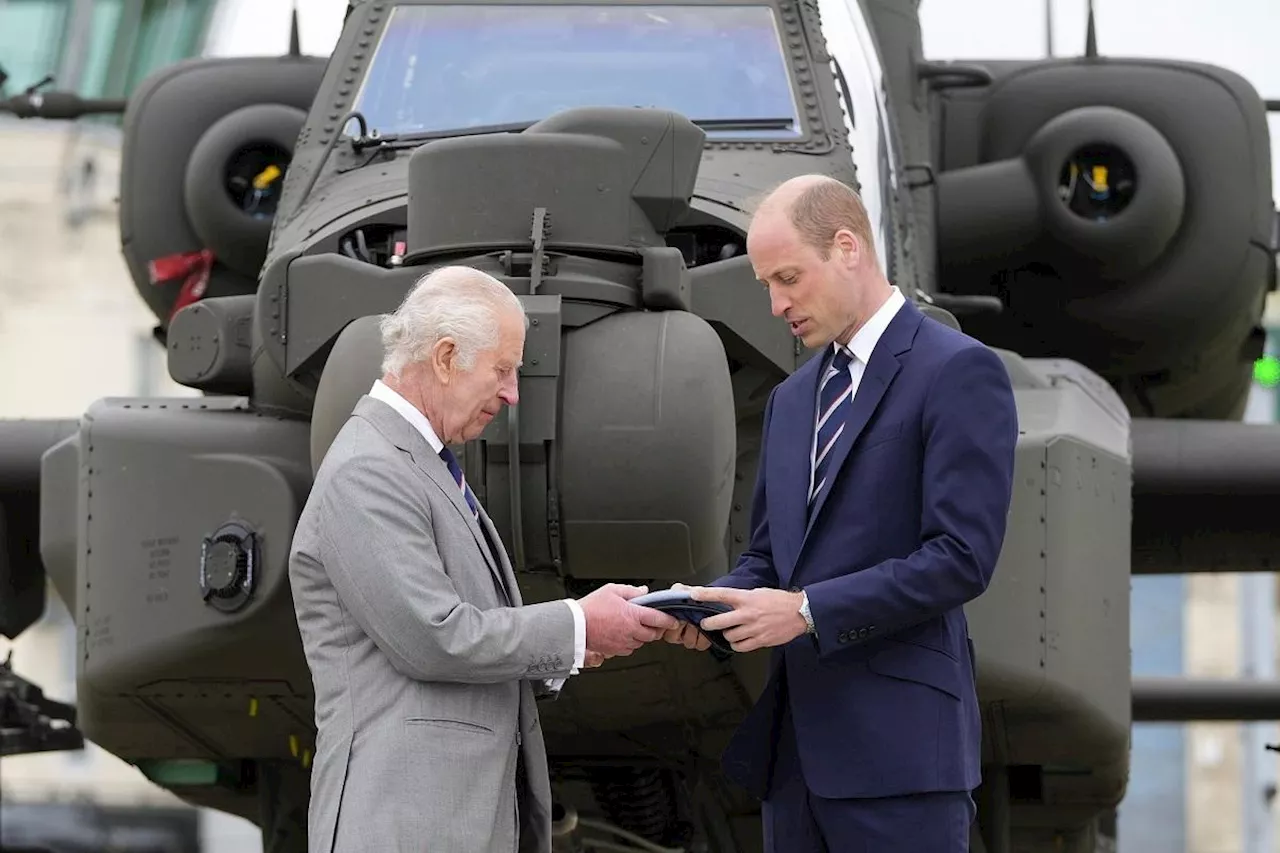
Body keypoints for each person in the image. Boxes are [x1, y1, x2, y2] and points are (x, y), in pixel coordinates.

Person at [664, 175, 1018, 851]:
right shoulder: (792, 399)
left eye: (788, 277)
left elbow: (961, 557)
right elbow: (771, 559)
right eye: (768, 283)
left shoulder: (958, 371)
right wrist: (709, 608)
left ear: (848, 247)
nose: (775, 304)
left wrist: (803, 611)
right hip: (796, 764)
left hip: (903, 763)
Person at [288, 266, 679, 853]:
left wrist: (571, 646)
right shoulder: (371, 469)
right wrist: (577, 624)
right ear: (446, 357)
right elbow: (434, 637)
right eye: (502, 369)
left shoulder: (417, 464)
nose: (513, 392)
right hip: (408, 826)